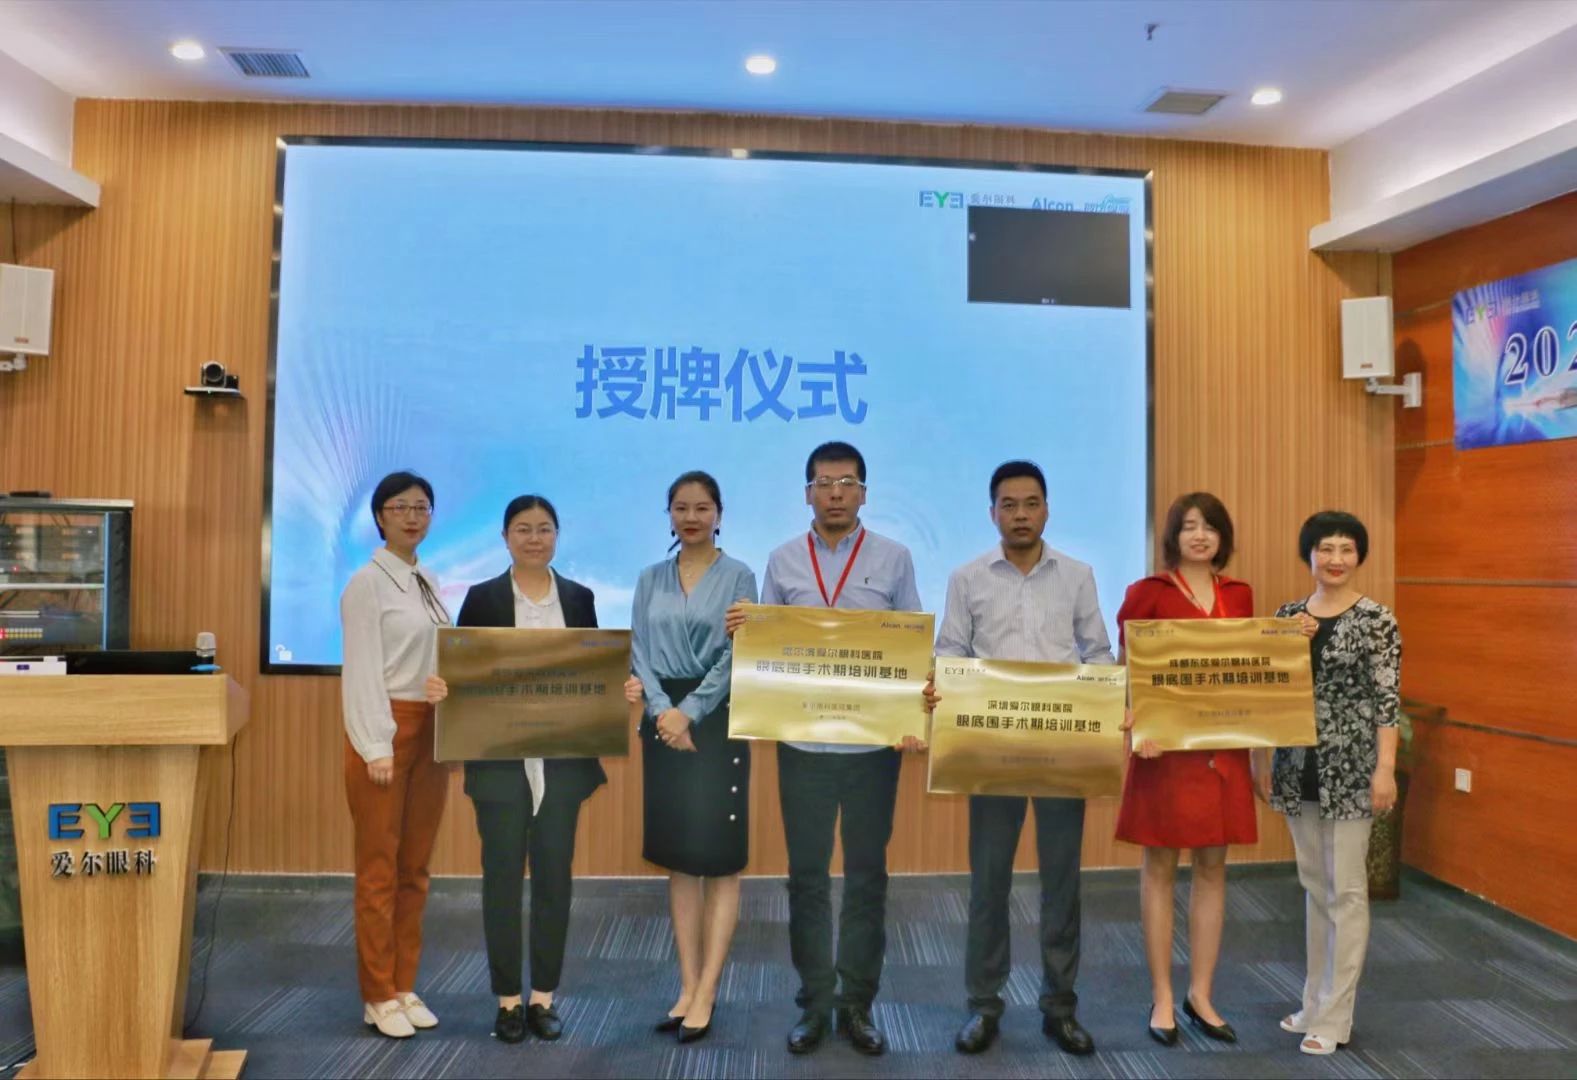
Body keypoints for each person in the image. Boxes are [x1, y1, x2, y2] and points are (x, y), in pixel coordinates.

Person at [724, 441, 926, 1057]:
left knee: (867, 877)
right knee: (806, 878)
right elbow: (769, 651)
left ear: (864, 492)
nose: (835, 493)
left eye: (846, 482)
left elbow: (911, 647)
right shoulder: (783, 560)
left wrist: (912, 711)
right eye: (823, 483)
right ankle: (814, 1003)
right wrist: (745, 633)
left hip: (871, 751)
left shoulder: (894, 559)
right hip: (803, 748)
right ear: (807, 493)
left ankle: (857, 1003)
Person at [932, 460, 1114, 1058]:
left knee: (1062, 883)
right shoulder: (967, 578)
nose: (1020, 515)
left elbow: (1097, 653)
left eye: (1031, 503)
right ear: (992, 513)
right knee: (989, 883)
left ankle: (1060, 1007)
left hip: (1062, 748)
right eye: (1008, 505)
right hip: (992, 751)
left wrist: (1103, 703)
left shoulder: (1078, 575)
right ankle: (984, 1006)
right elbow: (951, 653)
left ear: (1047, 510)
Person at [425, 495, 608, 1045]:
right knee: (501, 880)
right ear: (505, 537)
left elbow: (592, 674)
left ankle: (544, 997)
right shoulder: (481, 598)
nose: (534, 538)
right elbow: (464, 673)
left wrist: (616, 688)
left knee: (555, 879)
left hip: (562, 763)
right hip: (501, 764)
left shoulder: (579, 598)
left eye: (544, 528)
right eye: (523, 529)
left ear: (557, 536)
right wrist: (446, 688)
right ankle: (507, 1000)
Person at [1114, 493, 1257, 1047]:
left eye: (1210, 527)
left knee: (1214, 867)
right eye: (1189, 526)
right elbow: (1127, 670)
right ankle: (1163, 997)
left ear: (1223, 537)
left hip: (1222, 750)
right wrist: (1137, 723)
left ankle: (1201, 993)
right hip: (1163, 752)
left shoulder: (1239, 594)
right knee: (1160, 867)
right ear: (1173, 536)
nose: (1200, 536)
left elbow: (1250, 668)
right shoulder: (1148, 592)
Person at [622, 471, 758, 1044]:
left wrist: (690, 712)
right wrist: (663, 713)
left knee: (720, 862)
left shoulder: (740, 575)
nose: (692, 517)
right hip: (663, 725)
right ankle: (686, 985)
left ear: (719, 514)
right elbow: (639, 651)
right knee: (679, 861)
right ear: (669, 514)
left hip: (717, 721)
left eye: (702, 508)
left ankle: (709, 989)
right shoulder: (649, 578)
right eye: (681, 507)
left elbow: (738, 653)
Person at [1259, 511, 1401, 1056]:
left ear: (1359, 556)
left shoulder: (1377, 620)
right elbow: (1268, 692)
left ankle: (1337, 1016)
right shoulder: (1287, 616)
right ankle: (1313, 1005)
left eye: (1346, 548)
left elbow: (1387, 700)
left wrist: (1385, 768)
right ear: (1309, 556)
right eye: (1325, 548)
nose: (1335, 559)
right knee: (1315, 887)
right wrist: (1261, 757)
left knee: (1348, 892)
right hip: (1298, 766)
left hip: (1352, 770)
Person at [339, 470, 452, 1039]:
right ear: (380, 517)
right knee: (379, 870)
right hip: (385, 732)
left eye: (422, 506)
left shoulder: (427, 579)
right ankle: (377, 993)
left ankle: (404, 985)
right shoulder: (367, 583)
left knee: (415, 868)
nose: (412, 516)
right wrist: (375, 744)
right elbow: (361, 669)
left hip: (431, 731)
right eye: (400, 507)